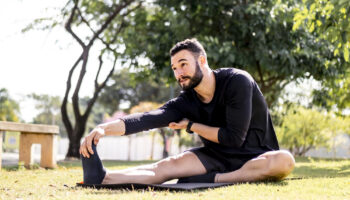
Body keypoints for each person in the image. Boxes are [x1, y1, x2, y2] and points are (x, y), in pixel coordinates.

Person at [79, 38, 295, 185]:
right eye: (174, 68)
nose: (179, 73)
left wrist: (192, 126)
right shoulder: (186, 101)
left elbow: (234, 137)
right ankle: (104, 178)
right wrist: (103, 129)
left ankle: (216, 179)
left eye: (183, 64)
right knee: (166, 166)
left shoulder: (237, 81)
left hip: (256, 157)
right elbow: (148, 118)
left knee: (285, 161)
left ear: (202, 60)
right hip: (216, 156)